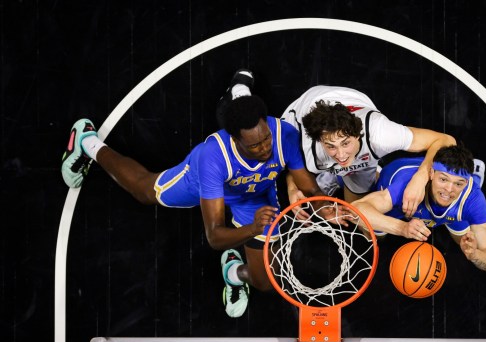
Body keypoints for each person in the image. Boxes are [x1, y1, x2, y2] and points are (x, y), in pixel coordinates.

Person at [61, 93, 328, 318]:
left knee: (266, 282)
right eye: (255, 145)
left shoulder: (285, 134)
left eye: (266, 138)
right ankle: (88, 143)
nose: (265, 148)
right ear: (235, 140)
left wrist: (326, 208)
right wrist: (252, 228)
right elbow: (214, 236)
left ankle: (233, 272)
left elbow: (308, 186)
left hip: (254, 197)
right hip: (207, 186)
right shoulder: (212, 157)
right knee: (144, 190)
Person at [219, 71, 457, 216]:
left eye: (345, 143)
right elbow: (293, 166)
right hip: (304, 109)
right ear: (320, 140)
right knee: (252, 131)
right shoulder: (303, 142)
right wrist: (293, 189)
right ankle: (240, 90)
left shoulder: (381, 134)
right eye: (330, 146)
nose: (341, 154)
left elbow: (445, 140)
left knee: (355, 211)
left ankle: (333, 175)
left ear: (358, 135)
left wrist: (420, 178)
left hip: (351, 107)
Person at [351, 144, 486, 273]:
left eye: (459, 183)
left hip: (449, 209)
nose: (449, 189)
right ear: (431, 173)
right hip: (399, 201)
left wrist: (475, 255)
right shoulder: (405, 186)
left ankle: (475, 178)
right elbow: (355, 210)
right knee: (374, 235)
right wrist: (402, 227)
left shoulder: (473, 198)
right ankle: (375, 171)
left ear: (466, 183)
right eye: (443, 179)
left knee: (464, 242)